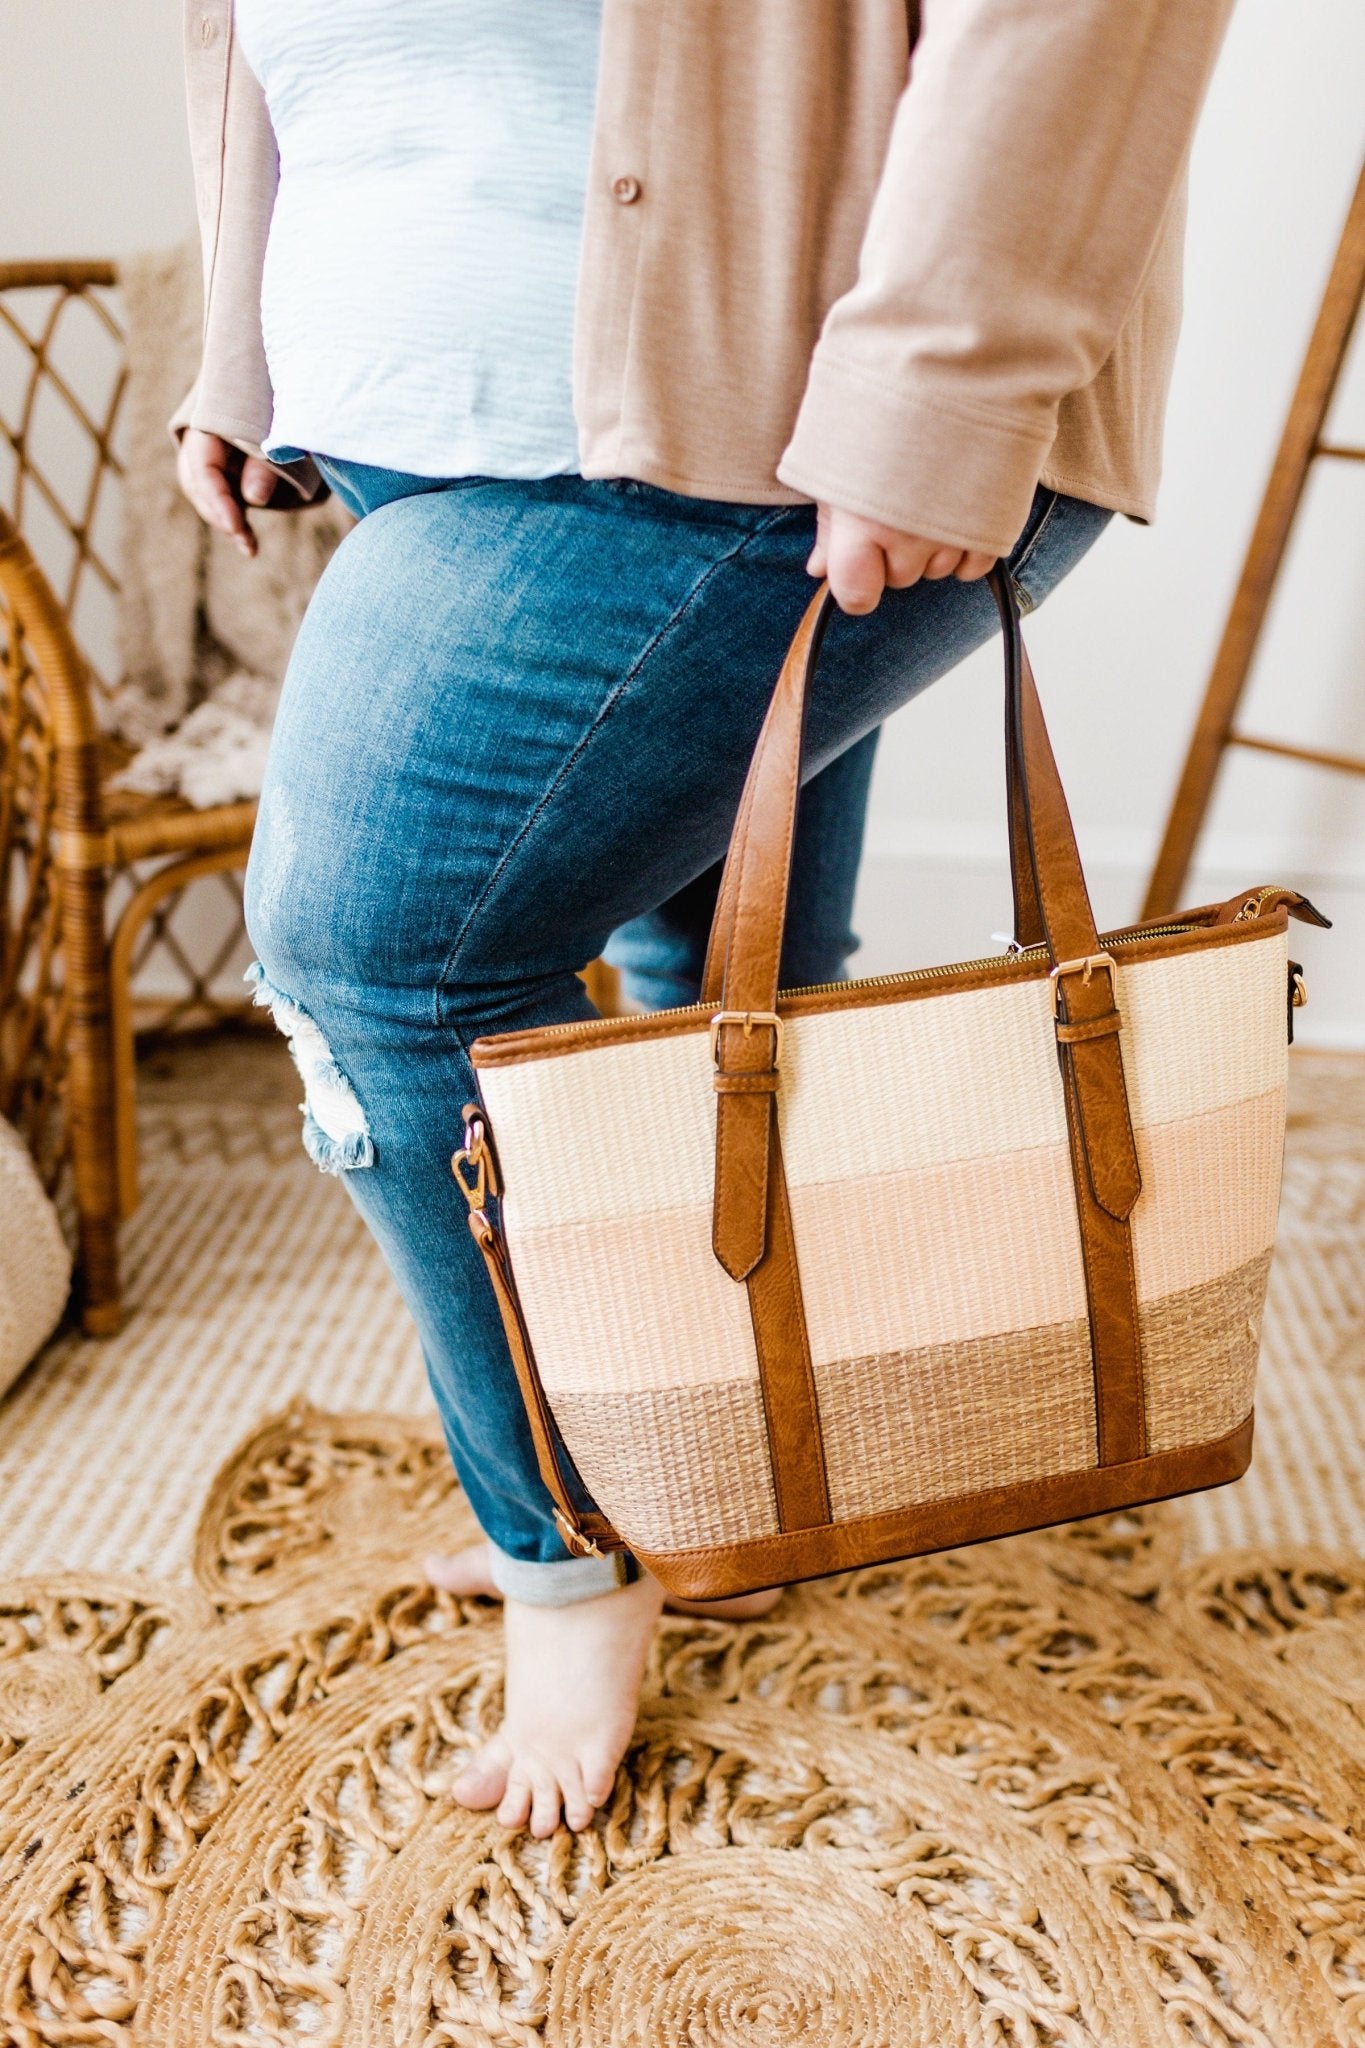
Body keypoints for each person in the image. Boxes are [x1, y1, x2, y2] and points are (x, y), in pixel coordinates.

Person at [175, 0, 1233, 1839]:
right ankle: (720, 1486)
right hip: (417, 417)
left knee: (379, 965)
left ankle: (571, 1559)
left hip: (779, 419)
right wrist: (240, 341)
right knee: (707, 979)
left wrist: (945, 379)